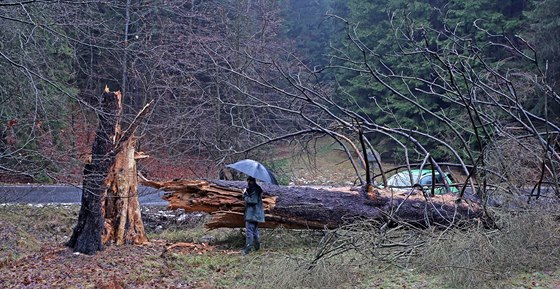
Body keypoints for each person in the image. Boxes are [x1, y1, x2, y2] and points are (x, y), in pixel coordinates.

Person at [242, 177, 265, 255]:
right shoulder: (256, 188)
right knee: (255, 231)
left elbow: (252, 200)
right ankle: (257, 247)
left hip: (252, 215)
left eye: (248, 181)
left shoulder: (254, 189)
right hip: (255, 214)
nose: (248, 183)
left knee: (249, 232)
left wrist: (244, 195)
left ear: (251, 181)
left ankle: (247, 250)